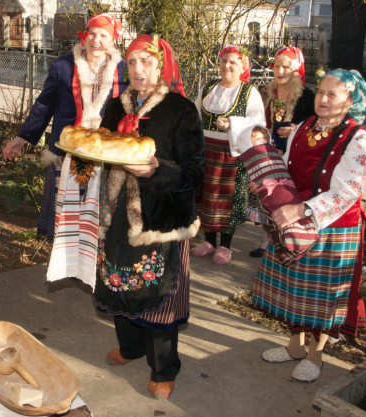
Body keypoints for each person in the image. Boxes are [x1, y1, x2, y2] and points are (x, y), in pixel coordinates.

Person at [94, 34, 204, 400]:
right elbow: (102, 147)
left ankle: (163, 367)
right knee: (119, 282)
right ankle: (130, 348)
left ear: (162, 66)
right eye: (132, 62)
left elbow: (194, 174)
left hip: (161, 218)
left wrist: (156, 171)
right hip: (117, 214)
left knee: (158, 294)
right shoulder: (115, 107)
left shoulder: (181, 110)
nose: (138, 70)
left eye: (147, 62)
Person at [251, 69, 366, 383]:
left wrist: (302, 209)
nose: (324, 99)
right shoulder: (304, 125)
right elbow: (288, 165)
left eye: (333, 94)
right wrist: (268, 183)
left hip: (333, 225)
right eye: (321, 92)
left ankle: (316, 356)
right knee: (295, 287)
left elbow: (348, 192)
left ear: (351, 100)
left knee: (323, 295)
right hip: (295, 218)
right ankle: (294, 347)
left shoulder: (357, 137)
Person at [2, 13, 128, 241]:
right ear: (84, 35)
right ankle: (66, 261)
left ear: (112, 41)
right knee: (67, 211)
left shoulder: (124, 69)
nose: (96, 40)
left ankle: (93, 262)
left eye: (103, 35)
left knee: (98, 212)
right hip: (67, 151)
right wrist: (22, 137)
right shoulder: (63, 66)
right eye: (91, 33)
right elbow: (44, 104)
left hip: (105, 154)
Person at [191, 45, 266, 265]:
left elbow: (259, 125)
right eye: (224, 60)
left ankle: (226, 245)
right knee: (206, 196)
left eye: (233, 61)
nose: (227, 65)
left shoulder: (249, 92)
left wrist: (233, 124)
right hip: (206, 151)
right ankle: (209, 241)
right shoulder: (209, 87)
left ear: (243, 65)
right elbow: (196, 113)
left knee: (226, 200)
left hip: (231, 155)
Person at [248, 46, 316, 258]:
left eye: (285, 66)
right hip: (266, 151)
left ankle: (286, 240)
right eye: (276, 66)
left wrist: (296, 129)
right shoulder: (266, 92)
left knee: (283, 199)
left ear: (295, 69)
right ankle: (266, 242)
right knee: (265, 197)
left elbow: (315, 125)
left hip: (291, 154)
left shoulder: (306, 97)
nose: (280, 70)